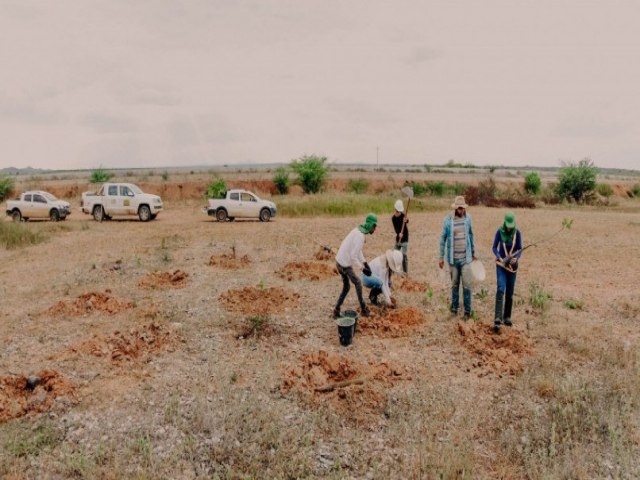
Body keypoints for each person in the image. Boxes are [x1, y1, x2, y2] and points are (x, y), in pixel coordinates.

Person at [438, 196, 476, 318]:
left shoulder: (468, 218)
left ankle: (467, 312)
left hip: (466, 259)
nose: (461, 210)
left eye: (463, 208)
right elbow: (442, 238)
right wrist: (441, 257)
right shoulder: (448, 220)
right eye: (459, 208)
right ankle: (454, 308)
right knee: (454, 285)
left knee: (467, 285)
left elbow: (471, 235)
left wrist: (473, 253)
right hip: (453, 260)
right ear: (455, 208)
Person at [333, 213, 377, 318]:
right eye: (374, 226)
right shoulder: (360, 236)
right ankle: (364, 310)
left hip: (339, 261)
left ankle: (336, 310)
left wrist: (365, 262)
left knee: (346, 287)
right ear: (371, 225)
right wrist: (363, 269)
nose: (375, 230)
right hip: (344, 264)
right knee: (357, 283)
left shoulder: (358, 230)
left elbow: (358, 250)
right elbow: (353, 256)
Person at [492, 211, 522, 332]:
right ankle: (498, 317)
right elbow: (494, 247)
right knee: (500, 288)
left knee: (510, 291)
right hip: (501, 265)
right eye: (508, 226)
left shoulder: (517, 233)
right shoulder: (499, 232)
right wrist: (499, 256)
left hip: (512, 267)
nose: (509, 229)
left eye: (511, 226)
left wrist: (516, 258)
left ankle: (507, 317)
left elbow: (520, 248)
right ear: (504, 223)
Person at [392, 199, 409, 273]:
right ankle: (393, 270)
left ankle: (405, 272)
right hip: (398, 239)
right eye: (397, 211)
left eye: (400, 211)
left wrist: (406, 220)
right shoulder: (393, 218)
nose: (399, 213)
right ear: (395, 210)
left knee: (404, 255)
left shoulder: (403, 216)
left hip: (405, 238)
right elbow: (396, 228)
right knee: (394, 255)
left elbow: (407, 220)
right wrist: (399, 233)